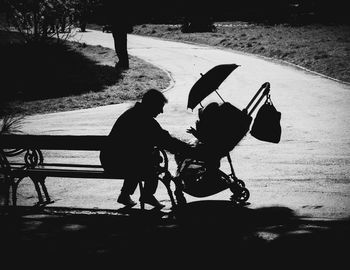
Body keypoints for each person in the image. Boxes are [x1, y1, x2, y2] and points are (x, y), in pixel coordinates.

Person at [100, 89, 193, 208]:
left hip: (109, 160)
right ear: (152, 104)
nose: (161, 111)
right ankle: (147, 195)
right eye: (160, 106)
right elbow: (165, 140)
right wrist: (188, 149)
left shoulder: (132, 113)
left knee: (140, 159)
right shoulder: (145, 120)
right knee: (150, 163)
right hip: (117, 163)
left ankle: (125, 195)